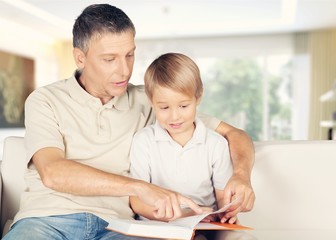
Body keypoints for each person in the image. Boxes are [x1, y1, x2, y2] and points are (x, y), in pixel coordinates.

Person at [3, 4, 255, 240]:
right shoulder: (45, 99)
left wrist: (241, 177)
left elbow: (234, 134)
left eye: (130, 55)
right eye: (110, 59)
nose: (124, 70)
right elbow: (53, 172)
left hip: (116, 227)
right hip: (47, 221)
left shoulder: (148, 101)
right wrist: (140, 188)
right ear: (80, 58)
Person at [129, 53, 237, 239]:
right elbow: (137, 200)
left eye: (184, 106)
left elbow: (222, 198)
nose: (174, 117)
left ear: (198, 98)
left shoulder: (215, 144)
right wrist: (173, 216)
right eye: (164, 108)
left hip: (201, 227)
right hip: (156, 228)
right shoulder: (143, 141)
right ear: (151, 102)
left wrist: (228, 214)